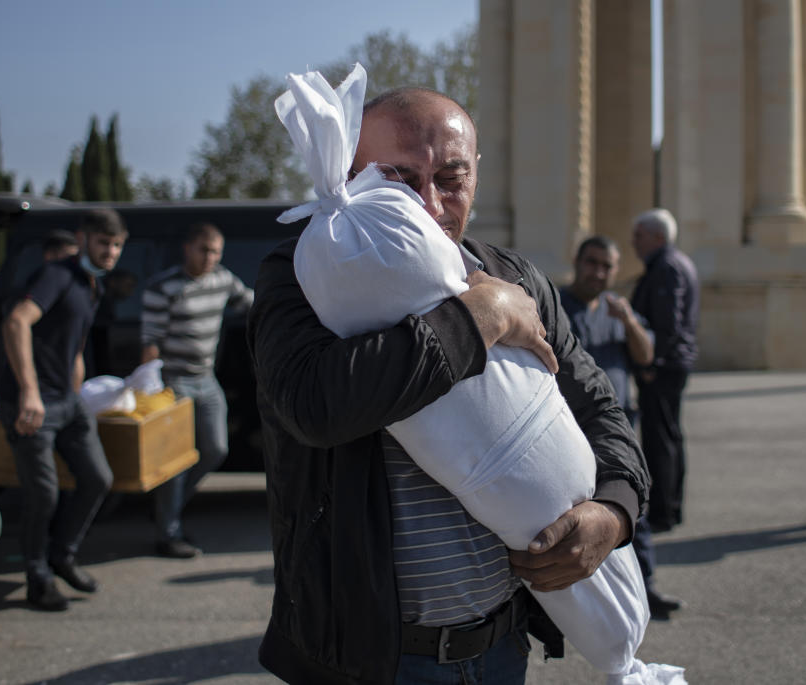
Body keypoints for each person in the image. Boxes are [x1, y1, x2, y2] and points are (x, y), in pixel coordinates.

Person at [248, 72, 654, 684]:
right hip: (370, 661)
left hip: (499, 648)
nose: (430, 206)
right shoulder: (305, 277)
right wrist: (479, 318)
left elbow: (598, 405)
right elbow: (315, 406)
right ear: (350, 176)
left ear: (476, 177)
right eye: (399, 179)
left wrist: (615, 512)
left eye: (450, 178)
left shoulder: (516, 276)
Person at [0, 208, 126, 611]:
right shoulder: (57, 274)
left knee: (97, 478)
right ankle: (37, 577)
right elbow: (17, 323)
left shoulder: (91, 285)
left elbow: (76, 343)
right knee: (43, 494)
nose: (111, 252)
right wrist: (30, 393)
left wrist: (77, 393)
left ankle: (62, 555)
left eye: (118, 245)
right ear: (83, 238)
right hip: (30, 403)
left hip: (67, 402)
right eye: (104, 243)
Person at [560, 236, 683, 620]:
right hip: (569, 429)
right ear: (577, 262)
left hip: (619, 430)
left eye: (606, 266)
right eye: (591, 262)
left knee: (632, 511)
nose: (598, 272)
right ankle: (571, 605)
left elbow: (646, 355)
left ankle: (644, 589)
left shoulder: (618, 311)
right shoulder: (557, 307)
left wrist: (629, 320)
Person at [140, 223, 254, 559]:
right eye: (204, 250)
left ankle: (168, 505)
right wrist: (152, 390)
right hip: (173, 382)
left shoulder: (222, 278)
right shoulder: (163, 287)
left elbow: (250, 302)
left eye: (216, 251)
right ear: (188, 248)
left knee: (216, 448)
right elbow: (151, 342)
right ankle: (168, 531)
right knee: (176, 460)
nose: (210, 258)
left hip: (206, 379)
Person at [630, 209, 699, 535]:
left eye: (639, 236)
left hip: (663, 368)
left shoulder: (666, 267)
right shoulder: (677, 263)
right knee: (670, 436)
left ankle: (663, 512)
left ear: (658, 237)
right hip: (674, 363)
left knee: (659, 441)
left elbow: (665, 324)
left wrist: (650, 364)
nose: (634, 243)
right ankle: (673, 508)